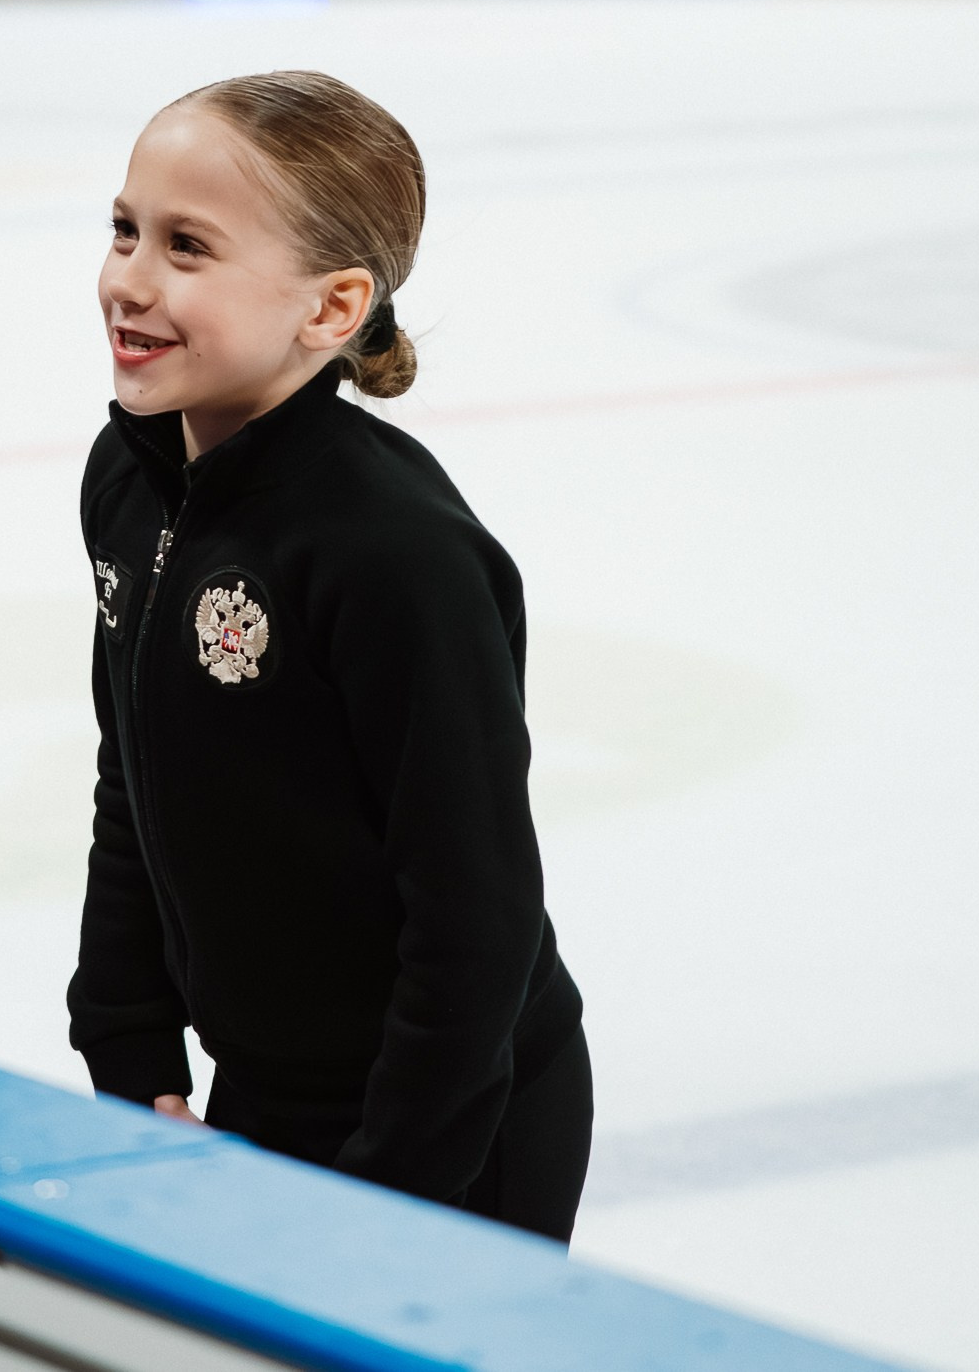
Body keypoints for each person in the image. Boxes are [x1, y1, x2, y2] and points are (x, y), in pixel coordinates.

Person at [69, 70, 591, 1242]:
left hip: (450, 1120)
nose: (130, 282)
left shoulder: (391, 550)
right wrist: (125, 1032)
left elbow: (475, 912)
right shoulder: (131, 484)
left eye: (188, 247)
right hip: (256, 1088)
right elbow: (137, 782)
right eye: (124, 230)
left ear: (331, 305)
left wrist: (389, 1188)